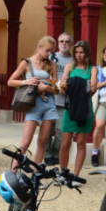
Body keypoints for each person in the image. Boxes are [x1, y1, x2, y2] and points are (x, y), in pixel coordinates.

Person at [7, 36, 59, 166]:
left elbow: (56, 88)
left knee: (43, 141)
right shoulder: (26, 62)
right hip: (33, 103)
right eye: (47, 50)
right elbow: (10, 82)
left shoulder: (51, 64)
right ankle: (13, 171)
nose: (49, 54)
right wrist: (26, 81)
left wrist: (47, 87)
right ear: (40, 47)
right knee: (26, 142)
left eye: (51, 51)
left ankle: (37, 173)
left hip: (49, 103)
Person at [59, 40, 97, 176]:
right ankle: (63, 172)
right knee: (64, 144)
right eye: (76, 52)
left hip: (85, 108)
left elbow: (92, 88)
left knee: (81, 143)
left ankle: (76, 174)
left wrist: (71, 83)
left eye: (81, 52)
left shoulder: (92, 68)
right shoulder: (69, 67)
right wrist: (69, 84)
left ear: (86, 53)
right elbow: (63, 87)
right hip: (70, 107)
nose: (79, 55)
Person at [46, 33, 73, 166]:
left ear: (71, 44)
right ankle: (47, 154)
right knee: (46, 129)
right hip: (49, 99)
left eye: (67, 42)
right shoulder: (51, 57)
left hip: (64, 101)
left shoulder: (74, 61)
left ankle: (56, 153)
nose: (64, 44)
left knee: (61, 130)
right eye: (61, 41)